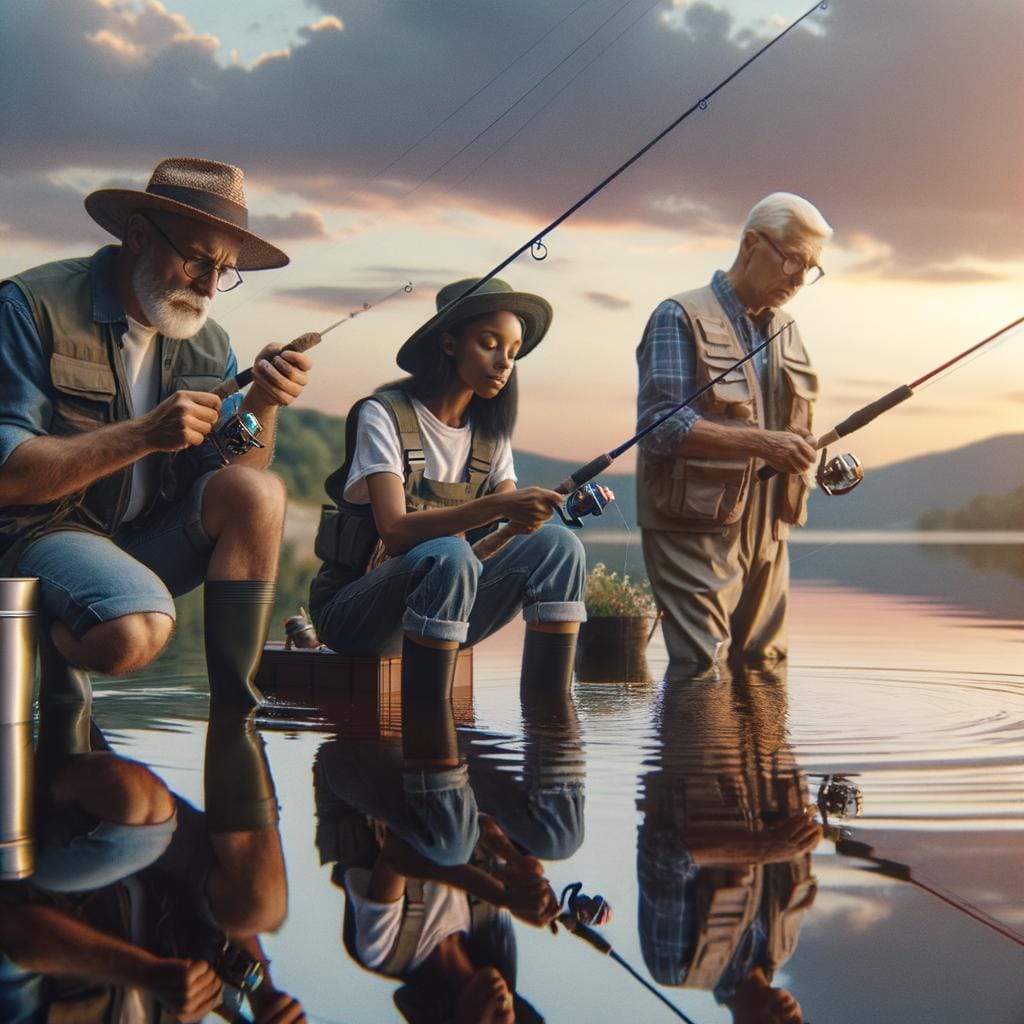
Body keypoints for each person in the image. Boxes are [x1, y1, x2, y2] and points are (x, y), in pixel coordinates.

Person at [0, 156, 312, 707]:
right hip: (37, 536)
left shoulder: (209, 342)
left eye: (226, 271)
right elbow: (8, 477)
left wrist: (261, 404)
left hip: (142, 539)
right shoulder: (30, 307)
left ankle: (236, 708)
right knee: (135, 632)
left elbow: (230, 466)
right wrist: (143, 434)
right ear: (139, 236)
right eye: (198, 261)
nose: (212, 287)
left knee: (259, 492)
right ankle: (54, 638)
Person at [310, 277, 599, 696]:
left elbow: (510, 528)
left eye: (514, 353)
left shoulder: (491, 435)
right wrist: (502, 506)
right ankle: (430, 732)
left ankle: (550, 725)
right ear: (449, 344)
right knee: (450, 553)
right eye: (489, 343)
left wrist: (528, 514)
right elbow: (393, 530)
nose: (504, 362)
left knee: (560, 546)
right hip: (354, 615)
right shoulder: (382, 414)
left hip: (449, 606)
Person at [635, 192, 832, 671]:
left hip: (770, 531)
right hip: (692, 527)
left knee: (766, 666)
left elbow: (791, 427)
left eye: (812, 270)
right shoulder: (676, 315)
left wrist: (803, 451)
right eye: (792, 262)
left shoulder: (788, 329)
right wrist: (764, 443)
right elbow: (659, 427)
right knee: (702, 667)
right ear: (750, 245)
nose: (800, 280)